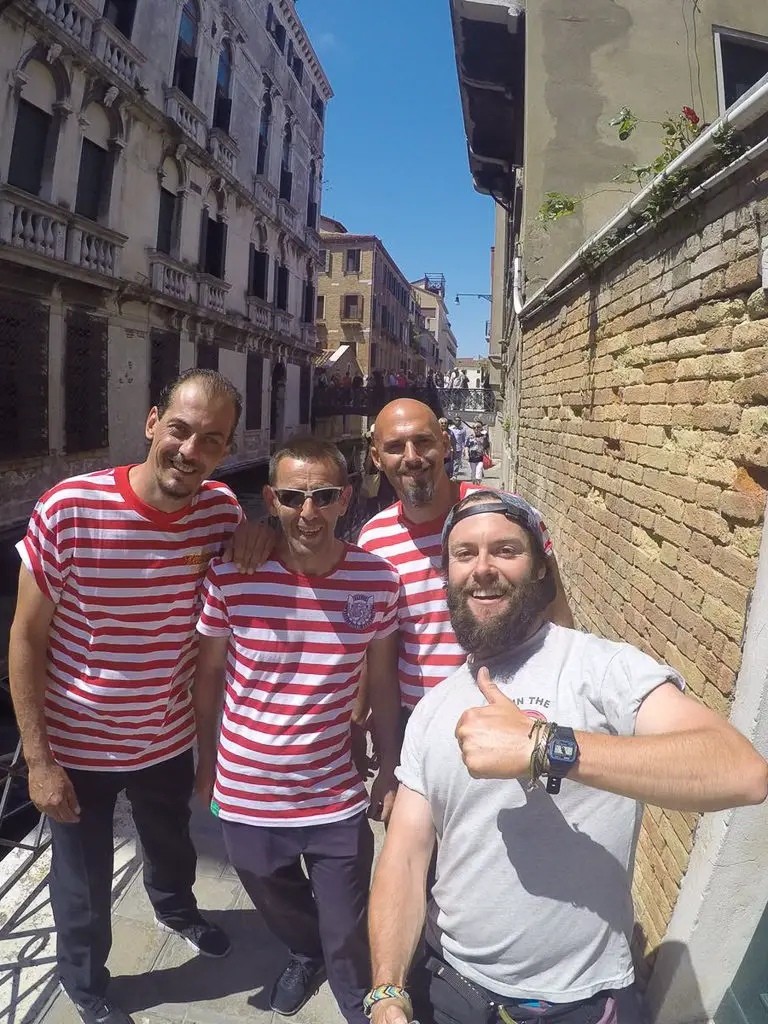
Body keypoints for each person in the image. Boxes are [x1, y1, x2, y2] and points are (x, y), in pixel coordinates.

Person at [366, 489, 768, 1024]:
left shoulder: (601, 669)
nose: (482, 569)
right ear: (448, 577)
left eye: (505, 550)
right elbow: (407, 856)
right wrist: (386, 991)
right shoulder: (434, 708)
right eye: (464, 555)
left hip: (580, 1003)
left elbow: (740, 771)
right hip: (452, 991)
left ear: (539, 568)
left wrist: (543, 746)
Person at [8, 369, 255, 1024]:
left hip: (167, 739)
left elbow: (242, 598)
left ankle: (175, 911)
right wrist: (37, 759)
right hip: (76, 747)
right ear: (153, 423)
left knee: (171, 846)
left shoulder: (222, 511)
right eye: (179, 429)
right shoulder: (69, 508)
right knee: (82, 887)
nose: (189, 450)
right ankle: (87, 988)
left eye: (210, 440)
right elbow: (26, 638)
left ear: (224, 451)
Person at [193, 437, 402, 1024]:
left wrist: (389, 769)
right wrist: (206, 766)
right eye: (292, 497)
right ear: (271, 500)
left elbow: (382, 685)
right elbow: (207, 678)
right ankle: (301, 952)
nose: (308, 513)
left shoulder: (377, 580)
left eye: (323, 497)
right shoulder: (232, 573)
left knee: (347, 933)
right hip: (245, 791)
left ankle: (363, 1009)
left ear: (346, 500)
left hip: (334, 793)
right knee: (273, 894)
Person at [357, 400, 572, 725]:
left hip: (505, 714)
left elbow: (558, 622)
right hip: (417, 722)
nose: (412, 457)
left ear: (445, 443)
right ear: (377, 457)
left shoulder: (510, 516)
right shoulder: (373, 540)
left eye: (424, 442)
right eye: (395, 447)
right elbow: (377, 649)